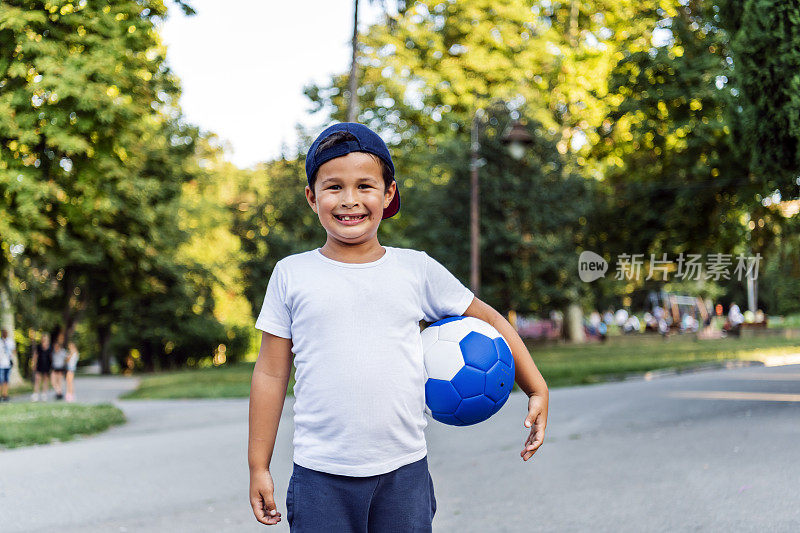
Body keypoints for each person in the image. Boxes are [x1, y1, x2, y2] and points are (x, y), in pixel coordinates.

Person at [247, 123, 550, 531]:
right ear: (311, 197)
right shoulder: (291, 274)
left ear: (388, 193)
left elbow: (491, 319)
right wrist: (258, 466)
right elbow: (269, 373)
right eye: (333, 187)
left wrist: (536, 386)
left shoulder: (415, 269)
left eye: (365, 186)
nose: (349, 200)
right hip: (320, 476)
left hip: (403, 472)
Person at [30, 332, 52, 401]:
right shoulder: (39, 346)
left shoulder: (50, 347)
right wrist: (34, 364)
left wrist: (52, 366)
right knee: (37, 379)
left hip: (47, 365)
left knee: (45, 380)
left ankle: (44, 394)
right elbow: (35, 356)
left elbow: (51, 357)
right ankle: (35, 394)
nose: (44, 340)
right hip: (39, 365)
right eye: (43, 338)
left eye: (45, 338)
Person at [51, 333, 68, 400]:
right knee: (53, 382)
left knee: (59, 382)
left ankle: (59, 394)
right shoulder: (53, 352)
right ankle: (59, 392)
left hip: (60, 368)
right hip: (54, 368)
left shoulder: (62, 352)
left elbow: (67, 358)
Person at [0, 328, 14, 401]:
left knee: (6, 380)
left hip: (8, 364)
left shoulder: (10, 341)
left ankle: (5, 395)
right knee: (0, 380)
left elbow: (13, 350)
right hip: (1, 364)